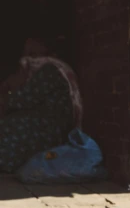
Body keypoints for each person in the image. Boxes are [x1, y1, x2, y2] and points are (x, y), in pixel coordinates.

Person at [0, 36, 82, 173]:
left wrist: (9, 90)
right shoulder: (56, 68)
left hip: (49, 127)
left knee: (7, 126)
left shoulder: (51, 69)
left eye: (31, 52)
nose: (27, 57)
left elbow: (22, 99)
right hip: (50, 124)